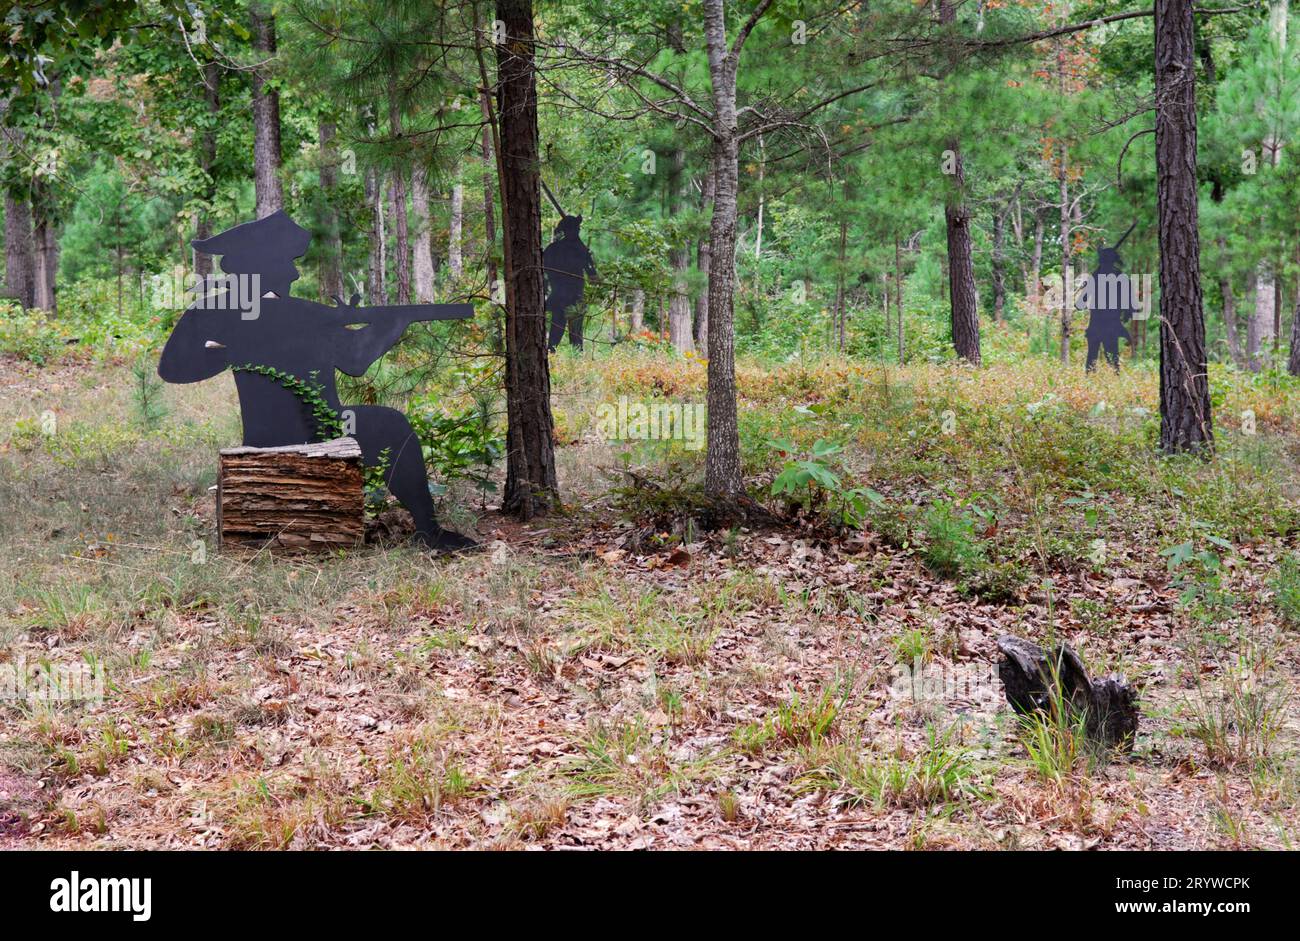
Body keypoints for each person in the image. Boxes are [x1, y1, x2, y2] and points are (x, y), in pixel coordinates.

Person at [158, 211, 477, 552]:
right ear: (265, 265)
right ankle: (428, 529)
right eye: (287, 263)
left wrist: (232, 353)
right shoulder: (307, 314)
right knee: (391, 424)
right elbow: (355, 361)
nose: (295, 272)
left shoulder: (214, 312)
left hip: (262, 437)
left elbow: (173, 367)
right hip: (321, 432)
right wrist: (390, 326)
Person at [543, 215, 597, 351]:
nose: (578, 231)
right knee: (568, 327)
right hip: (568, 295)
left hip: (562, 294)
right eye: (576, 228)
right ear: (570, 230)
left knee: (562, 325)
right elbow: (593, 276)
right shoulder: (579, 250)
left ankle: (555, 351)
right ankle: (557, 351)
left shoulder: (553, 249)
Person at [1082, 243, 1136, 372]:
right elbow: (1131, 306)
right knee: (1113, 362)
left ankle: (1092, 386)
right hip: (1111, 327)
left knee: (1092, 361)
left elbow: (1080, 303)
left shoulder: (1095, 278)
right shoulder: (1120, 278)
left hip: (1096, 327)